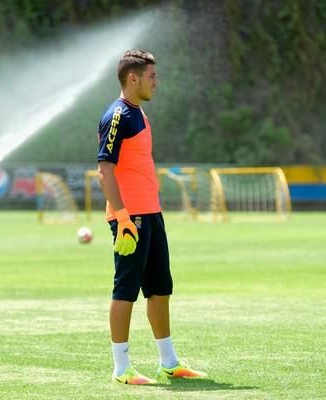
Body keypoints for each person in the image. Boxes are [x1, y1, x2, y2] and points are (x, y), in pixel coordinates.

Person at [96, 50, 206, 385]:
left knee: (160, 288)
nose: (156, 82)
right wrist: (123, 217)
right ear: (133, 78)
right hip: (131, 218)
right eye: (152, 76)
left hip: (151, 214)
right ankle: (121, 368)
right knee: (125, 290)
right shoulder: (117, 115)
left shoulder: (139, 113)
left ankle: (168, 362)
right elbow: (104, 171)